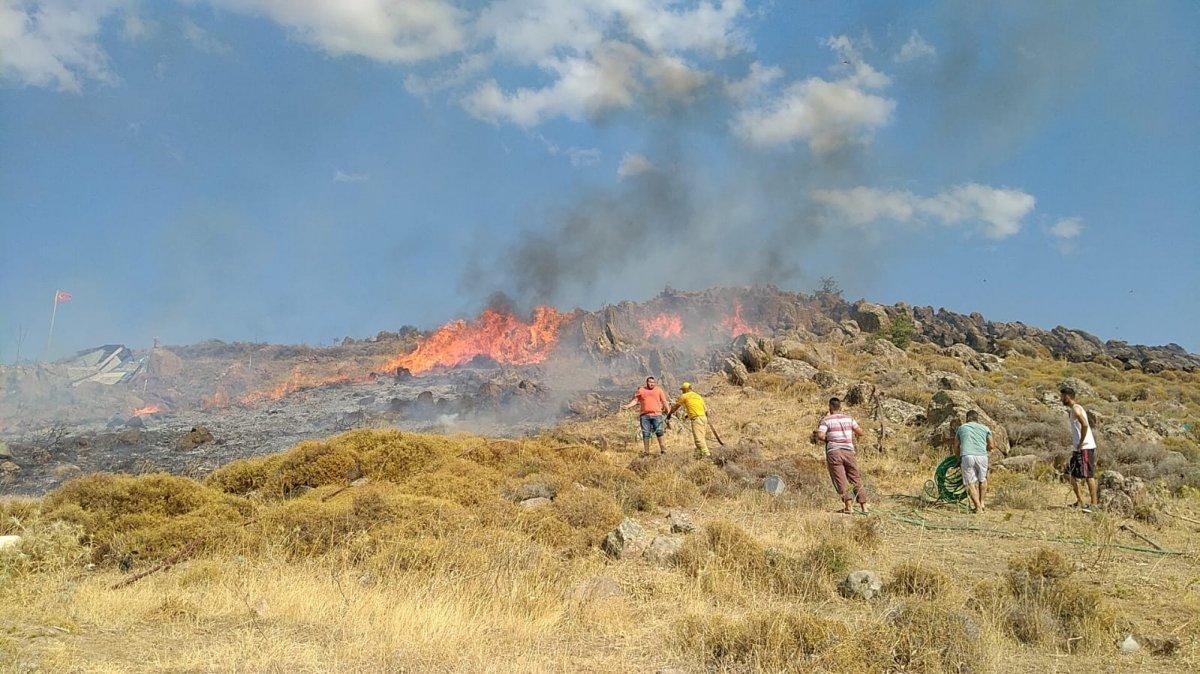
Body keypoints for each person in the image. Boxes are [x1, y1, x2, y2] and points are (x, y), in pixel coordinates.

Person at [815, 397, 869, 514]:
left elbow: (820, 435)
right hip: (849, 451)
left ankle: (848, 506)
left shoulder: (826, 419)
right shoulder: (849, 419)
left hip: (834, 451)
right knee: (855, 477)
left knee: (840, 478)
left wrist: (828, 439)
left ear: (830, 406)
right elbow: (860, 432)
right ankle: (864, 506)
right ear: (840, 407)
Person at [1061, 386, 1098, 512]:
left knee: (1088, 475)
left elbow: (1085, 425)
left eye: (1062, 396)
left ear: (1068, 396)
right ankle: (1080, 501)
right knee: (1068, 473)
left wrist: (1081, 442)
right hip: (1079, 449)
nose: (1061, 398)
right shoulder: (1075, 409)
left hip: (1085, 448)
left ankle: (1094, 505)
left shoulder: (1076, 409)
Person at [954, 410, 995, 513]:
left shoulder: (962, 428)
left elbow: (956, 446)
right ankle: (982, 503)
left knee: (970, 483)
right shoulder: (985, 428)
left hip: (967, 456)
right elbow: (991, 445)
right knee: (983, 479)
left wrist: (958, 457)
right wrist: (984, 448)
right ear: (977, 418)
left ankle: (978, 508)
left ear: (967, 418)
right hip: (982, 456)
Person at [621, 376, 671, 456]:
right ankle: (646, 452)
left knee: (659, 432)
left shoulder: (659, 390)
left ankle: (663, 450)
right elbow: (635, 400)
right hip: (644, 416)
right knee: (646, 433)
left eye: (653, 382)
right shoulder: (641, 390)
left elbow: (664, 401)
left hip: (657, 415)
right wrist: (628, 406)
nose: (651, 384)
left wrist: (669, 411)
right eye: (650, 382)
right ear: (647, 382)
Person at [668, 382, 709, 459]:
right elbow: (705, 409)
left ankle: (708, 457)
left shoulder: (684, 396)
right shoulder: (697, 396)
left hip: (697, 419)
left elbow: (675, 407)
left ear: (685, 389)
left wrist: (669, 414)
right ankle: (699, 457)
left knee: (699, 440)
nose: (682, 391)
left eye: (682, 390)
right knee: (701, 438)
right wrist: (688, 415)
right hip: (703, 418)